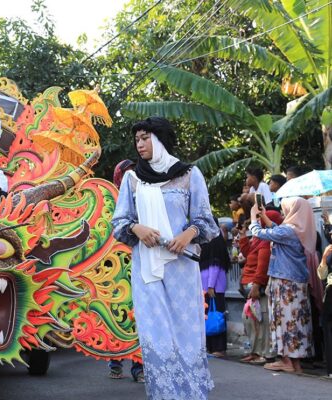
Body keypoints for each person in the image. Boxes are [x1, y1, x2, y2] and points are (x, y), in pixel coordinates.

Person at [111, 117, 219, 399]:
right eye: (137, 140)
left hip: (181, 268)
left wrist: (188, 234)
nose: (140, 144)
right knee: (156, 335)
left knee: (185, 332)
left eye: (145, 138)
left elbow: (206, 221)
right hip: (147, 270)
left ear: (159, 139)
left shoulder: (189, 174)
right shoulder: (132, 179)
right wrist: (137, 228)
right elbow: (119, 222)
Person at [250, 197, 314, 373]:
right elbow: (278, 231)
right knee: (297, 322)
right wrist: (266, 218)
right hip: (297, 283)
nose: (285, 213)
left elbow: (259, 233)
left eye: (287, 209)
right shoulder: (300, 230)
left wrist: (254, 218)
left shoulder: (289, 230)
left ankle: (286, 361)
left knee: (284, 321)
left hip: (285, 283)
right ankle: (295, 363)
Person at [107, 159, 144, 382]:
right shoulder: (110, 201)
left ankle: (139, 368)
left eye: (134, 173)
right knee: (117, 317)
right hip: (113, 271)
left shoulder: (144, 199)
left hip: (139, 265)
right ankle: (115, 362)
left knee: (140, 318)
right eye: (127, 173)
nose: (131, 177)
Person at [238, 209, 283, 365]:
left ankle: (264, 353)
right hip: (251, 283)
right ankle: (256, 351)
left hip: (257, 286)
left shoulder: (266, 241)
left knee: (260, 321)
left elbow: (262, 265)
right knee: (251, 320)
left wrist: (256, 285)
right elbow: (248, 253)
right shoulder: (259, 239)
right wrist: (243, 237)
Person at [200, 217, 232, 358]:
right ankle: (211, 347)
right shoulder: (211, 238)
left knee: (216, 314)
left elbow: (215, 264)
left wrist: (211, 285)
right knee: (210, 315)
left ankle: (219, 348)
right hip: (207, 286)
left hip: (213, 286)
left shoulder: (214, 239)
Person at [317, 245, 332, 378]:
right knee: (328, 331)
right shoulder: (329, 250)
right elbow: (322, 275)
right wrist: (324, 257)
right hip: (330, 291)